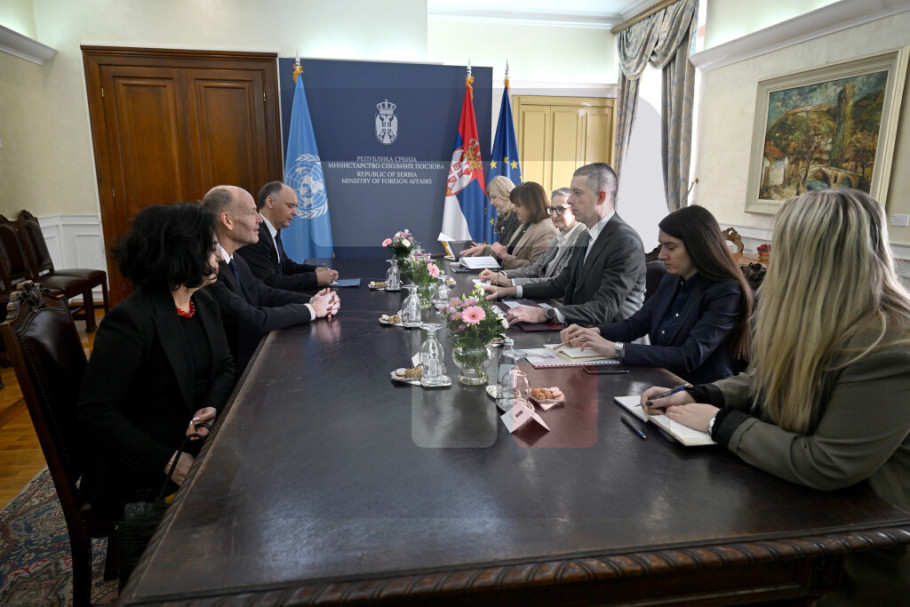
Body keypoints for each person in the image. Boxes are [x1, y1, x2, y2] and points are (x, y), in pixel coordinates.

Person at [642, 189, 910, 604]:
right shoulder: (816, 313)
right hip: (796, 509)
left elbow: (827, 462)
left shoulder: (891, 347)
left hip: (855, 550)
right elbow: (763, 379)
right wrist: (697, 393)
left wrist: (717, 422)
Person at [76, 203, 235, 515]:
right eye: (210, 249)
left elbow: (225, 366)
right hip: (144, 469)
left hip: (193, 443)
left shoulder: (203, 301)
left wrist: (211, 407)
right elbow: (95, 412)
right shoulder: (130, 321)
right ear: (182, 253)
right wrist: (168, 461)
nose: (218, 257)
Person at [560, 205, 752, 384]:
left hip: (700, 391)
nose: (661, 255)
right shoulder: (672, 279)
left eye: (671, 247)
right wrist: (593, 332)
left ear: (698, 246)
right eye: (661, 246)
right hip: (660, 379)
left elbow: (689, 357)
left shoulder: (726, 292)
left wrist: (615, 349)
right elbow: (635, 325)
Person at [482, 163, 646, 326]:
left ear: (600, 197)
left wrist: (545, 314)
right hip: (577, 328)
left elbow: (604, 309)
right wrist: (508, 290)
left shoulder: (625, 242)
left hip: (609, 336)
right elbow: (559, 284)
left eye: (577, 193)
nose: (570, 199)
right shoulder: (585, 236)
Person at [202, 185, 339, 374]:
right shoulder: (209, 271)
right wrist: (312, 310)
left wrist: (313, 300)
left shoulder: (236, 259)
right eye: (252, 213)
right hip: (235, 369)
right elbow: (253, 319)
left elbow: (263, 292)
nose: (259, 219)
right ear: (228, 220)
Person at [235, 181, 338, 292]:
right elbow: (269, 282)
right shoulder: (256, 235)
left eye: (295, 207)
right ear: (270, 202)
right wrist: (315, 278)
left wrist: (315, 270)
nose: (295, 212)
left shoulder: (270, 231)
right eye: (290, 206)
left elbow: (285, 265)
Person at [479, 187, 586, 288]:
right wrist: (502, 275)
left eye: (560, 209)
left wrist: (510, 283)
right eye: (552, 209)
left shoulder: (581, 239)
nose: (554, 215)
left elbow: (557, 283)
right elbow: (535, 269)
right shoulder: (558, 237)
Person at [479, 181, 556, 269]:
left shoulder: (546, 230)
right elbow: (510, 250)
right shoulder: (527, 223)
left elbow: (537, 269)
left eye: (518, 205)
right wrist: (485, 249)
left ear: (531, 205)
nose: (515, 210)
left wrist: (505, 257)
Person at [460, 176, 519, 256]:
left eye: (494, 197)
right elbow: (503, 249)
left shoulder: (520, 217)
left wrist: (486, 248)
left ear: (505, 193)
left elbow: (513, 252)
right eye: (490, 199)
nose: (491, 203)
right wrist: (484, 248)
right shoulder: (503, 218)